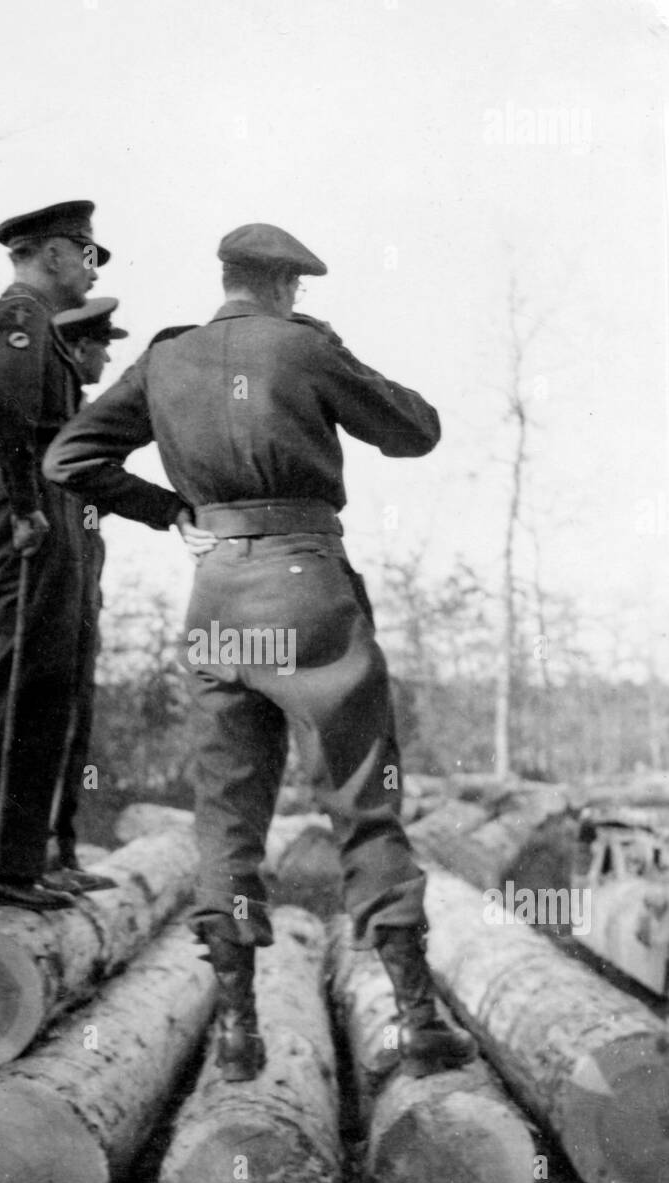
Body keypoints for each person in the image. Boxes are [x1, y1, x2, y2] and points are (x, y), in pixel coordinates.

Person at [42, 221, 477, 1081]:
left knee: (227, 812)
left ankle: (238, 1032)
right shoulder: (302, 348)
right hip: (307, 588)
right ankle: (417, 1021)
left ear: (226, 279)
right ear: (287, 287)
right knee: (362, 796)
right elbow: (414, 429)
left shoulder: (166, 359)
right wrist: (330, 349)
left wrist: (172, 512)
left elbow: (70, 456)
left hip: (218, 597)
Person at [0, 202, 192, 911]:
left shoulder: (34, 327)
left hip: (48, 518)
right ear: (54, 254)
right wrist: (26, 510)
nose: (90, 270)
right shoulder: (19, 319)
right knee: (21, 689)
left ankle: (23, 862)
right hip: (28, 522)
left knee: (47, 689)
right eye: (86, 255)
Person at [45, 299, 129, 889]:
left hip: (81, 582)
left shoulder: (82, 413)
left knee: (75, 716)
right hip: (59, 579)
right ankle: (47, 854)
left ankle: (62, 852)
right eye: (101, 345)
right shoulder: (61, 419)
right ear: (77, 350)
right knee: (53, 717)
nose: (107, 354)